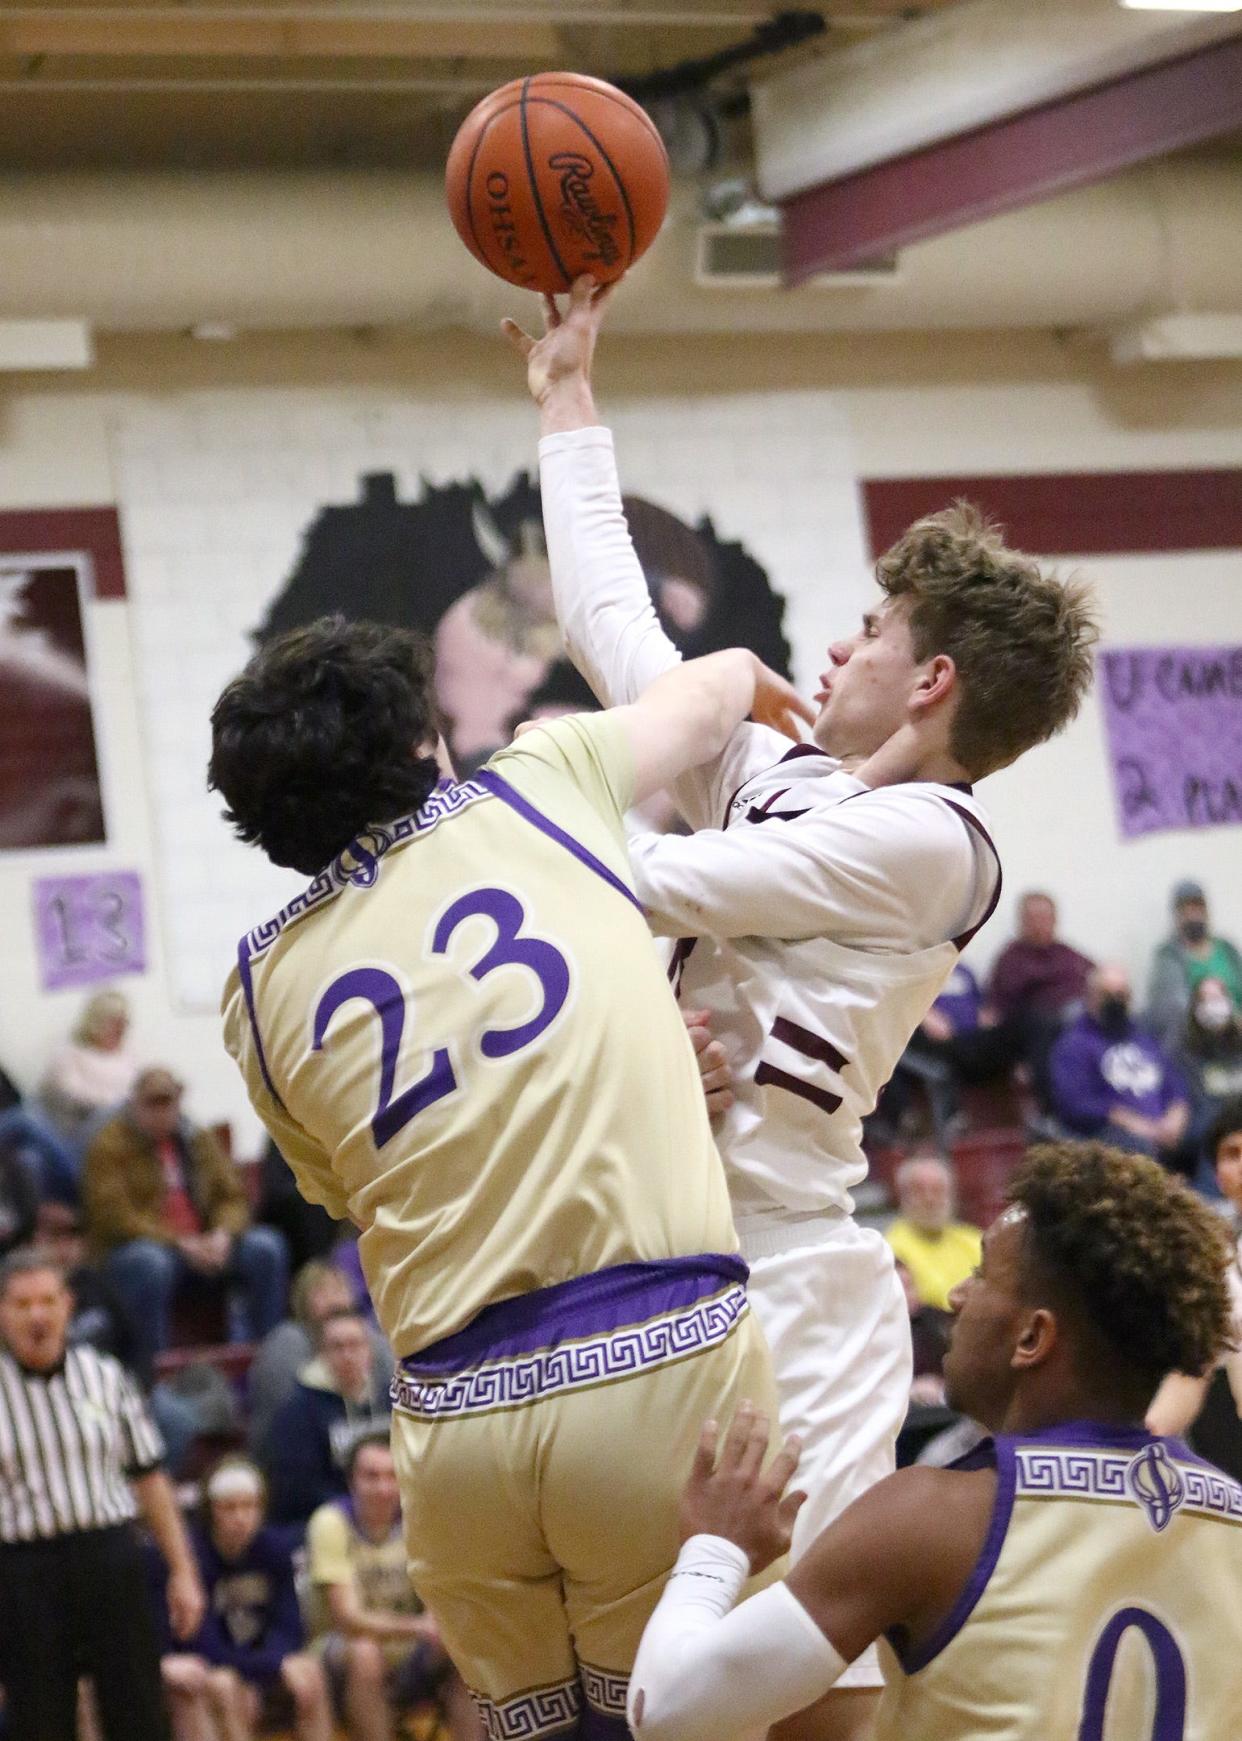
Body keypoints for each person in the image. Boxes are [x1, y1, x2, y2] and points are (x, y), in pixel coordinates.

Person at [504, 276, 1097, 1738]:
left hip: (784, 1280)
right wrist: (567, 399)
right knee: (617, 1690)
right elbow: (608, 621)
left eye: (870, 629)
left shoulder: (939, 841)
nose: (835, 648)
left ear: (933, 680)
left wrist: (605, 751)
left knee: (790, 1697)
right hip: (642, 1252)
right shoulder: (770, 771)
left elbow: (640, 877)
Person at [209, 620, 801, 1737]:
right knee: (696, 1715)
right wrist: (752, 681)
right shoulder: (538, 782)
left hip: (451, 1422)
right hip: (656, 1363)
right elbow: (707, 698)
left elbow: (369, 1187)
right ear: (424, 733)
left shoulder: (256, 988)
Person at [624, 1143, 1241, 1741]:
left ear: (1031, 1338)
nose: (955, 1296)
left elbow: (667, 1709)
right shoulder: (1232, 1520)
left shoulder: (930, 1519)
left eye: (980, 1276)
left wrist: (714, 1551)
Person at [0, 1248, 205, 1741]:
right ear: (2, 1311)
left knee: (137, 1704)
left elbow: (150, 1478)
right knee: (39, 1715)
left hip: (108, 1556)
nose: (37, 1315)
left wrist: (183, 1571)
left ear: (68, 1305)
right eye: (22, 1303)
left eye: (48, 1300)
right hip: (24, 1568)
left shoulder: (106, 1376)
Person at [83, 1067, 289, 1366]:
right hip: (145, 1250)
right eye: (152, 1104)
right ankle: (153, 1367)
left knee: (266, 1247)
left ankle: (270, 1357)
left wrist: (222, 1234)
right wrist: (180, 1242)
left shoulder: (197, 1139)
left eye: (168, 1104)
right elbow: (114, 1217)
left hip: (206, 1246)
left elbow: (232, 1195)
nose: (161, 1113)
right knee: (150, 1264)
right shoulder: (109, 1146)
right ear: (134, 1104)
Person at [306, 1431, 482, 1741]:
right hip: (339, 1650)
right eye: (371, 1477)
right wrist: (419, 1627)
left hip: (409, 1647)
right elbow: (347, 1618)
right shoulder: (330, 1523)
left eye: (392, 1476)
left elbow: (439, 1595)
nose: (383, 1488)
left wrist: (441, 1628)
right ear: (351, 1482)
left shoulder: (419, 1518)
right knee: (365, 1653)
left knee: (463, 1646)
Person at [171, 1456, 332, 1741]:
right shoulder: (191, 1557)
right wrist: (271, 1666)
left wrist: (276, 1662)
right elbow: (202, 1644)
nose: (240, 1517)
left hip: (257, 1656)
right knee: (226, 1686)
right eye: (229, 1508)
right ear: (211, 1511)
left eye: (249, 1506)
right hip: (212, 1666)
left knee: (310, 1672)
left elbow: (291, 1626)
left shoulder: (275, 1548)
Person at [1147, 1099, 1242, 1480]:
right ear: (1218, 1174)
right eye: (1233, 1155)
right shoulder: (1208, 1253)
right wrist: (1145, 1443)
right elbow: (1194, 1367)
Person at [1048, 965, 1190, 1168]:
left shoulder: (1144, 1038)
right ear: (1090, 997)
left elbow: (1174, 1086)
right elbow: (1075, 1104)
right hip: (1109, 1136)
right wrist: (1128, 1120)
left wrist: (1176, 1116)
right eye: (1107, 994)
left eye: (1122, 994)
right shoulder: (1073, 1045)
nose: (1116, 1001)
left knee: (1210, 1134)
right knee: (1138, 1148)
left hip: (1162, 1130)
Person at [262, 1304, 391, 1525]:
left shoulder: (391, 1399)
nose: (347, 1355)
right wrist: (360, 1507)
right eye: (337, 1347)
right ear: (322, 1353)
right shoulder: (295, 1412)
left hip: (390, 1514)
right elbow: (299, 1490)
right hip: (327, 1520)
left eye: (355, 1345)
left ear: (369, 1351)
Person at [247, 1257, 390, 1453]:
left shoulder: (370, 1337)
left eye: (339, 1290)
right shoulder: (287, 1342)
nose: (334, 1300)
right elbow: (281, 1417)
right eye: (322, 1292)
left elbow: (393, 1391)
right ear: (303, 1300)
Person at [1147, 878, 1242, 1051]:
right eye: (1187, 909)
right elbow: (1174, 1006)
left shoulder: (1227, 949)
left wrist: (1235, 1021)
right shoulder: (1169, 955)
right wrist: (1216, 1016)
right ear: (1177, 914)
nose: (1194, 914)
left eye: (1198, 907)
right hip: (1196, 1043)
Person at [884, 1154, 982, 1313]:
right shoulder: (891, 1250)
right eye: (919, 1191)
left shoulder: (975, 1240)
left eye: (938, 1190)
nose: (930, 1199)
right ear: (903, 1197)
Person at [1175, 975, 1242, 1161]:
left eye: (1218, 999)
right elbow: (1192, 1113)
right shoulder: (1183, 1052)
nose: (1213, 1006)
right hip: (1207, 1135)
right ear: (1195, 1008)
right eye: (1205, 1000)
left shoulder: (1238, 1045)